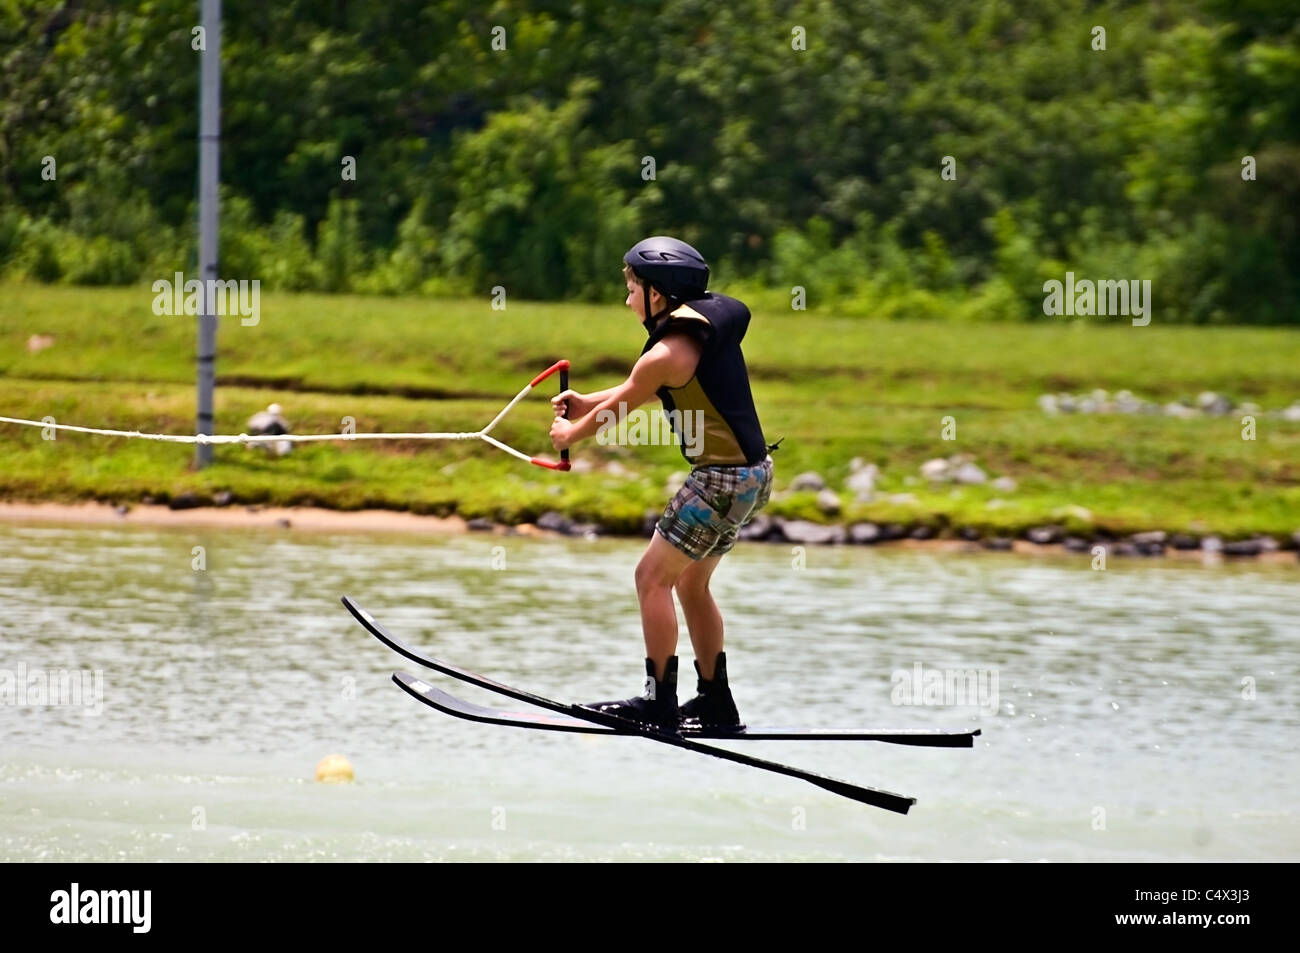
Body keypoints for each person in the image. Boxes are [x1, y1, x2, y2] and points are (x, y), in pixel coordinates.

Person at [549, 236, 778, 733]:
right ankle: (717, 702)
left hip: (719, 480)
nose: (628, 298)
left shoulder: (664, 353)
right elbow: (641, 391)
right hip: (754, 477)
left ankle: (658, 703)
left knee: (651, 579)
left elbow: (628, 402)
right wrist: (587, 402)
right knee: (693, 584)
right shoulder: (691, 338)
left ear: (658, 293)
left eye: (632, 288)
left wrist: (572, 433)